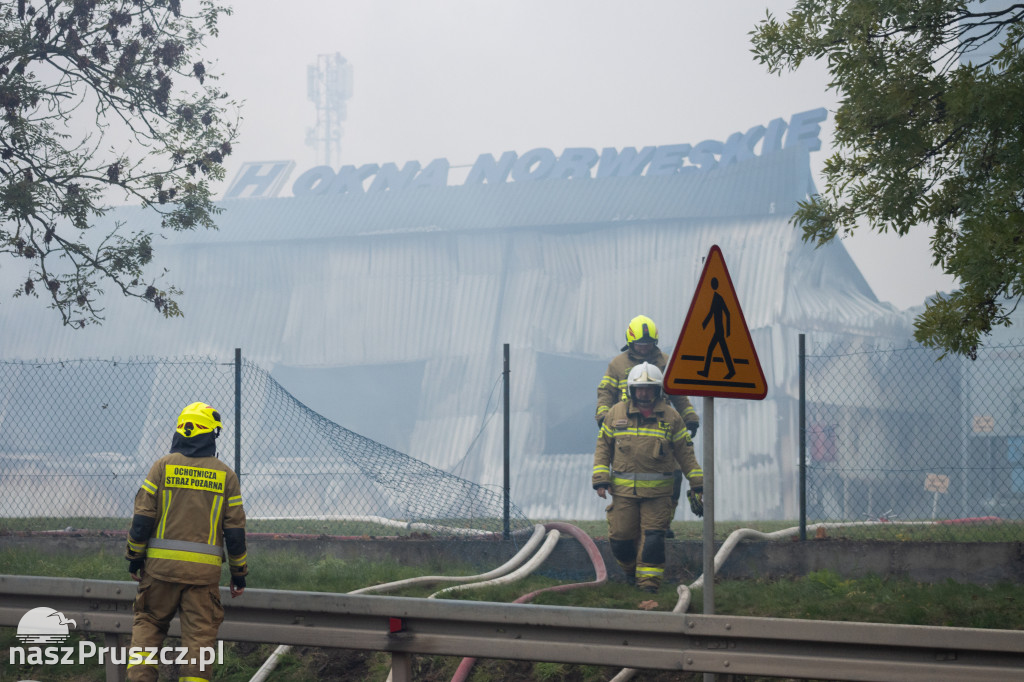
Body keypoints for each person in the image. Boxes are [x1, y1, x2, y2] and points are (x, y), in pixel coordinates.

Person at [124, 402, 248, 682]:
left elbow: (142, 519)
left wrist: (134, 557)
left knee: (148, 626)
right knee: (199, 643)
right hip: (203, 579)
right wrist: (239, 574)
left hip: (159, 573)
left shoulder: (162, 467)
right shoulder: (226, 476)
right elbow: (235, 532)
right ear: (209, 434)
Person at [592, 363, 703, 593]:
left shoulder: (671, 417)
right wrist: (601, 478)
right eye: (639, 389)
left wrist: (698, 484)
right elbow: (603, 446)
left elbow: (685, 452)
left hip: (658, 496)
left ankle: (648, 587)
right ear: (631, 390)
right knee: (621, 540)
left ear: (658, 391)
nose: (644, 393)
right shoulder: (615, 414)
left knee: (652, 541)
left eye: (649, 389)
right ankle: (631, 573)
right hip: (623, 494)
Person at [595, 314, 700, 536]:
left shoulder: (666, 362)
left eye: (648, 344)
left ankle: (663, 524)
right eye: (640, 344)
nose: (644, 348)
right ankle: (626, 524)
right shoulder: (617, 365)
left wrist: (689, 417)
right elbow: (605, 392)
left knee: (674, 476)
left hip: (661, 426)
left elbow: (678, 394)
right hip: (627, 427)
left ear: (655, 342)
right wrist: (604, 416)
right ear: (631, 342)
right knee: (626, 476)